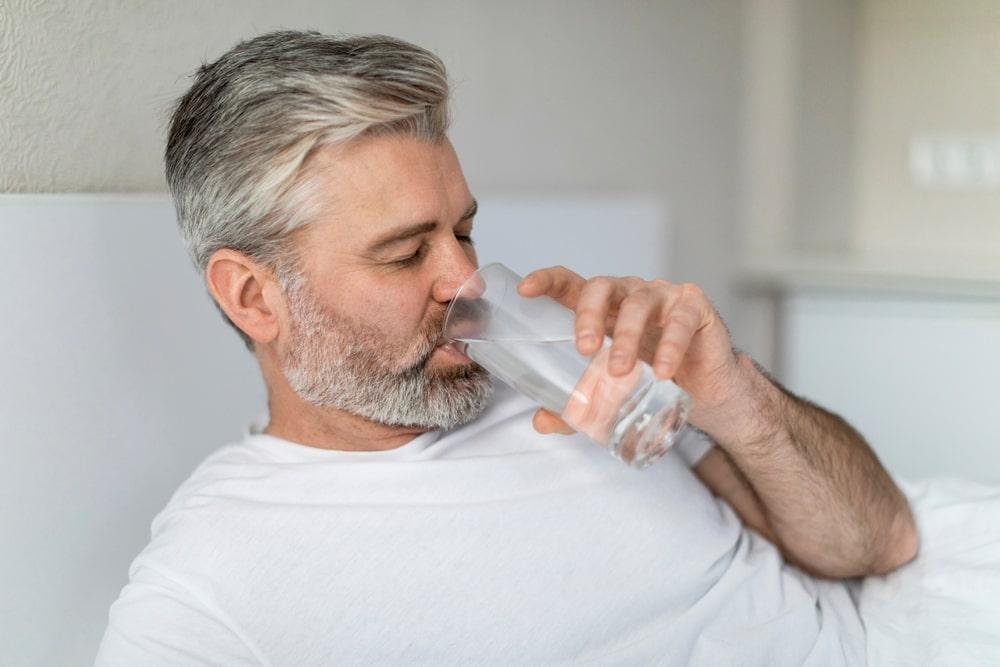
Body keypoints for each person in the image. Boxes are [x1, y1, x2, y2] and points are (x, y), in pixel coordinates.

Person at [96, 30, 917, 665]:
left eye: (464, 230)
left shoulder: (565, 376)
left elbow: (878, 543)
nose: (465, 276)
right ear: (253, 296)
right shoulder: (211, 585)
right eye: (406, 252)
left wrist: (737, 396)